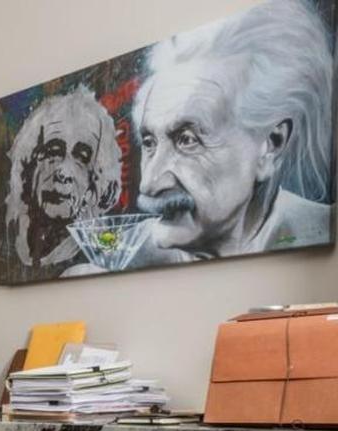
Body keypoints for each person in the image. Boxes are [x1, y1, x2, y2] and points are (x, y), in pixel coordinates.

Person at [129, 0, 333, 265]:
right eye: (149, 142)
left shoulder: (317, 229)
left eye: (187, 140)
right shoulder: (126, 252)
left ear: (271, 145)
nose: (149, 183)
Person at [2, 86, 122, 283]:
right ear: (29, 164)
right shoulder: (7, 245)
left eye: (82, 158)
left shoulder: (95, 264)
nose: (63, 173)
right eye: (52, 152)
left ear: (97, 181)